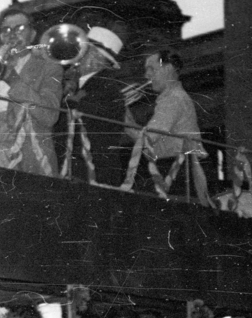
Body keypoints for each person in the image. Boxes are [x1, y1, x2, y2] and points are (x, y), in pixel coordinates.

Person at [0, 7, 63, 176]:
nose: (12, 34)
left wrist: (12, 79)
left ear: (32, 35)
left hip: (30, 155)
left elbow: (50, 115)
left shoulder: (48, 66)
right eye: (6, 30)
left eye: (20, 29)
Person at [124, 48, 204, 199]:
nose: (146, 75)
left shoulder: (172, 99)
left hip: (178, 169)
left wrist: (123, 118)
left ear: (168, 69)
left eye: (151, 69)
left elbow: (147, 140)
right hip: (178, 167)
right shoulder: (174, 97)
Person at [59, 26, 133, 187]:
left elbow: (80, 115)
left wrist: (67, 97)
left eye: (82, 51)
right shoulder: (87, 85)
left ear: (95, 57)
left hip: (93, 172)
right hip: (84, 168)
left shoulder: (106, 87)